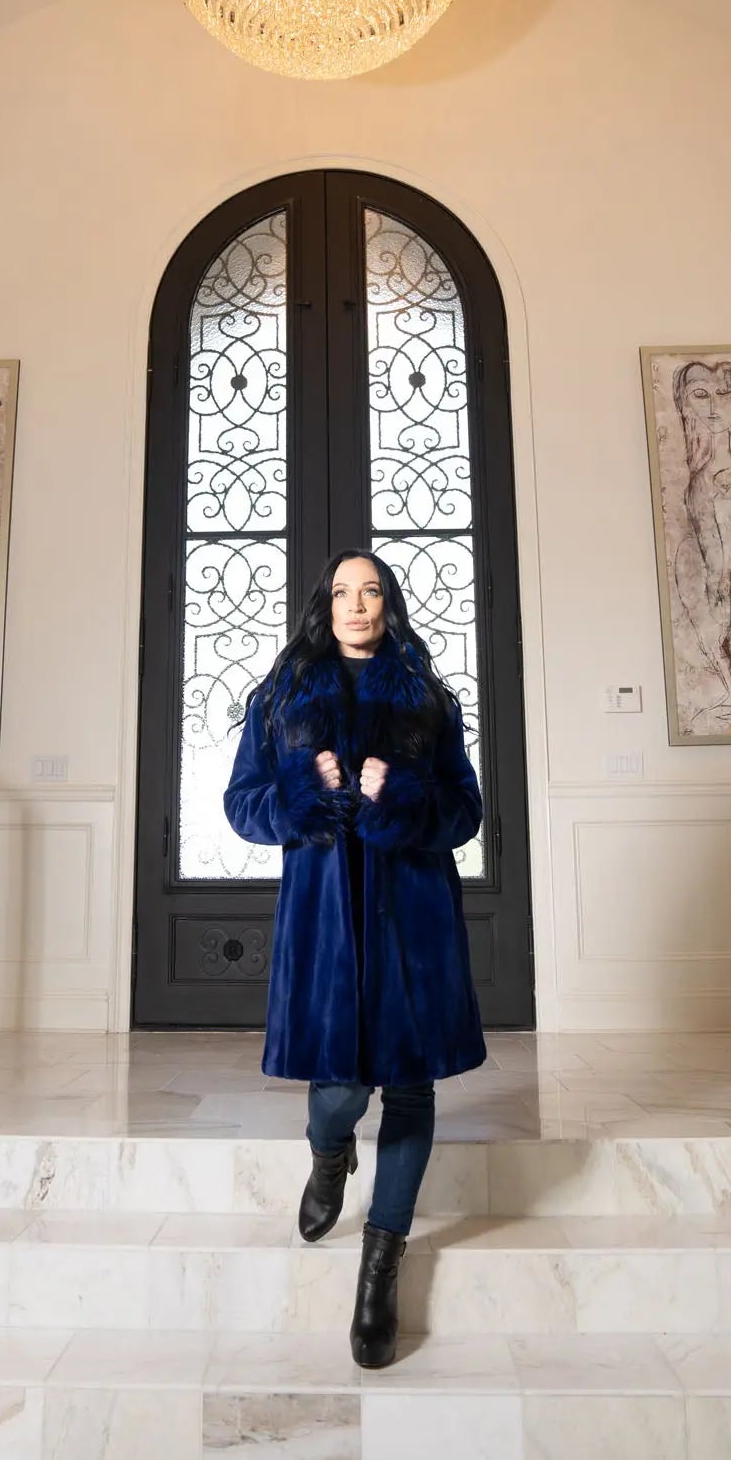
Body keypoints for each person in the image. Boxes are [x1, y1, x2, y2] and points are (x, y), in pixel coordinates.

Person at [223, 550, 485, 1367]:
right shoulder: (282, 697)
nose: (355, 603)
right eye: (341, 591)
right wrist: (304, 796)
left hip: (414, 921)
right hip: (325, 925)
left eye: (370, 590)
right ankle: (328, 1154)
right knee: (336, 1092)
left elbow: (465, 811)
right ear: (322, 606)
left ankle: (382, 1265)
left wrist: (399, 797)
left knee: (410, 1089)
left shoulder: (427, 702)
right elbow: (243, 806)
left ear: (389, 604)